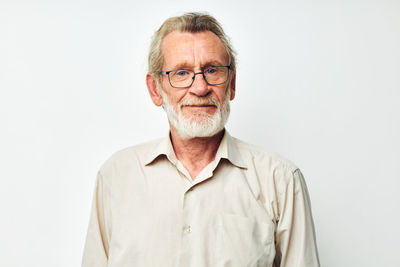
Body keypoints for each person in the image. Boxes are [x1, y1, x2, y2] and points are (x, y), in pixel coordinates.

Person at [82, 12, 320, 267]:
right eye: (182, 73)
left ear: (232, 84)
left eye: (212, 70)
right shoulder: (116, 176)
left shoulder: (280, 180)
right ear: (155, 89)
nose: (200, 87)